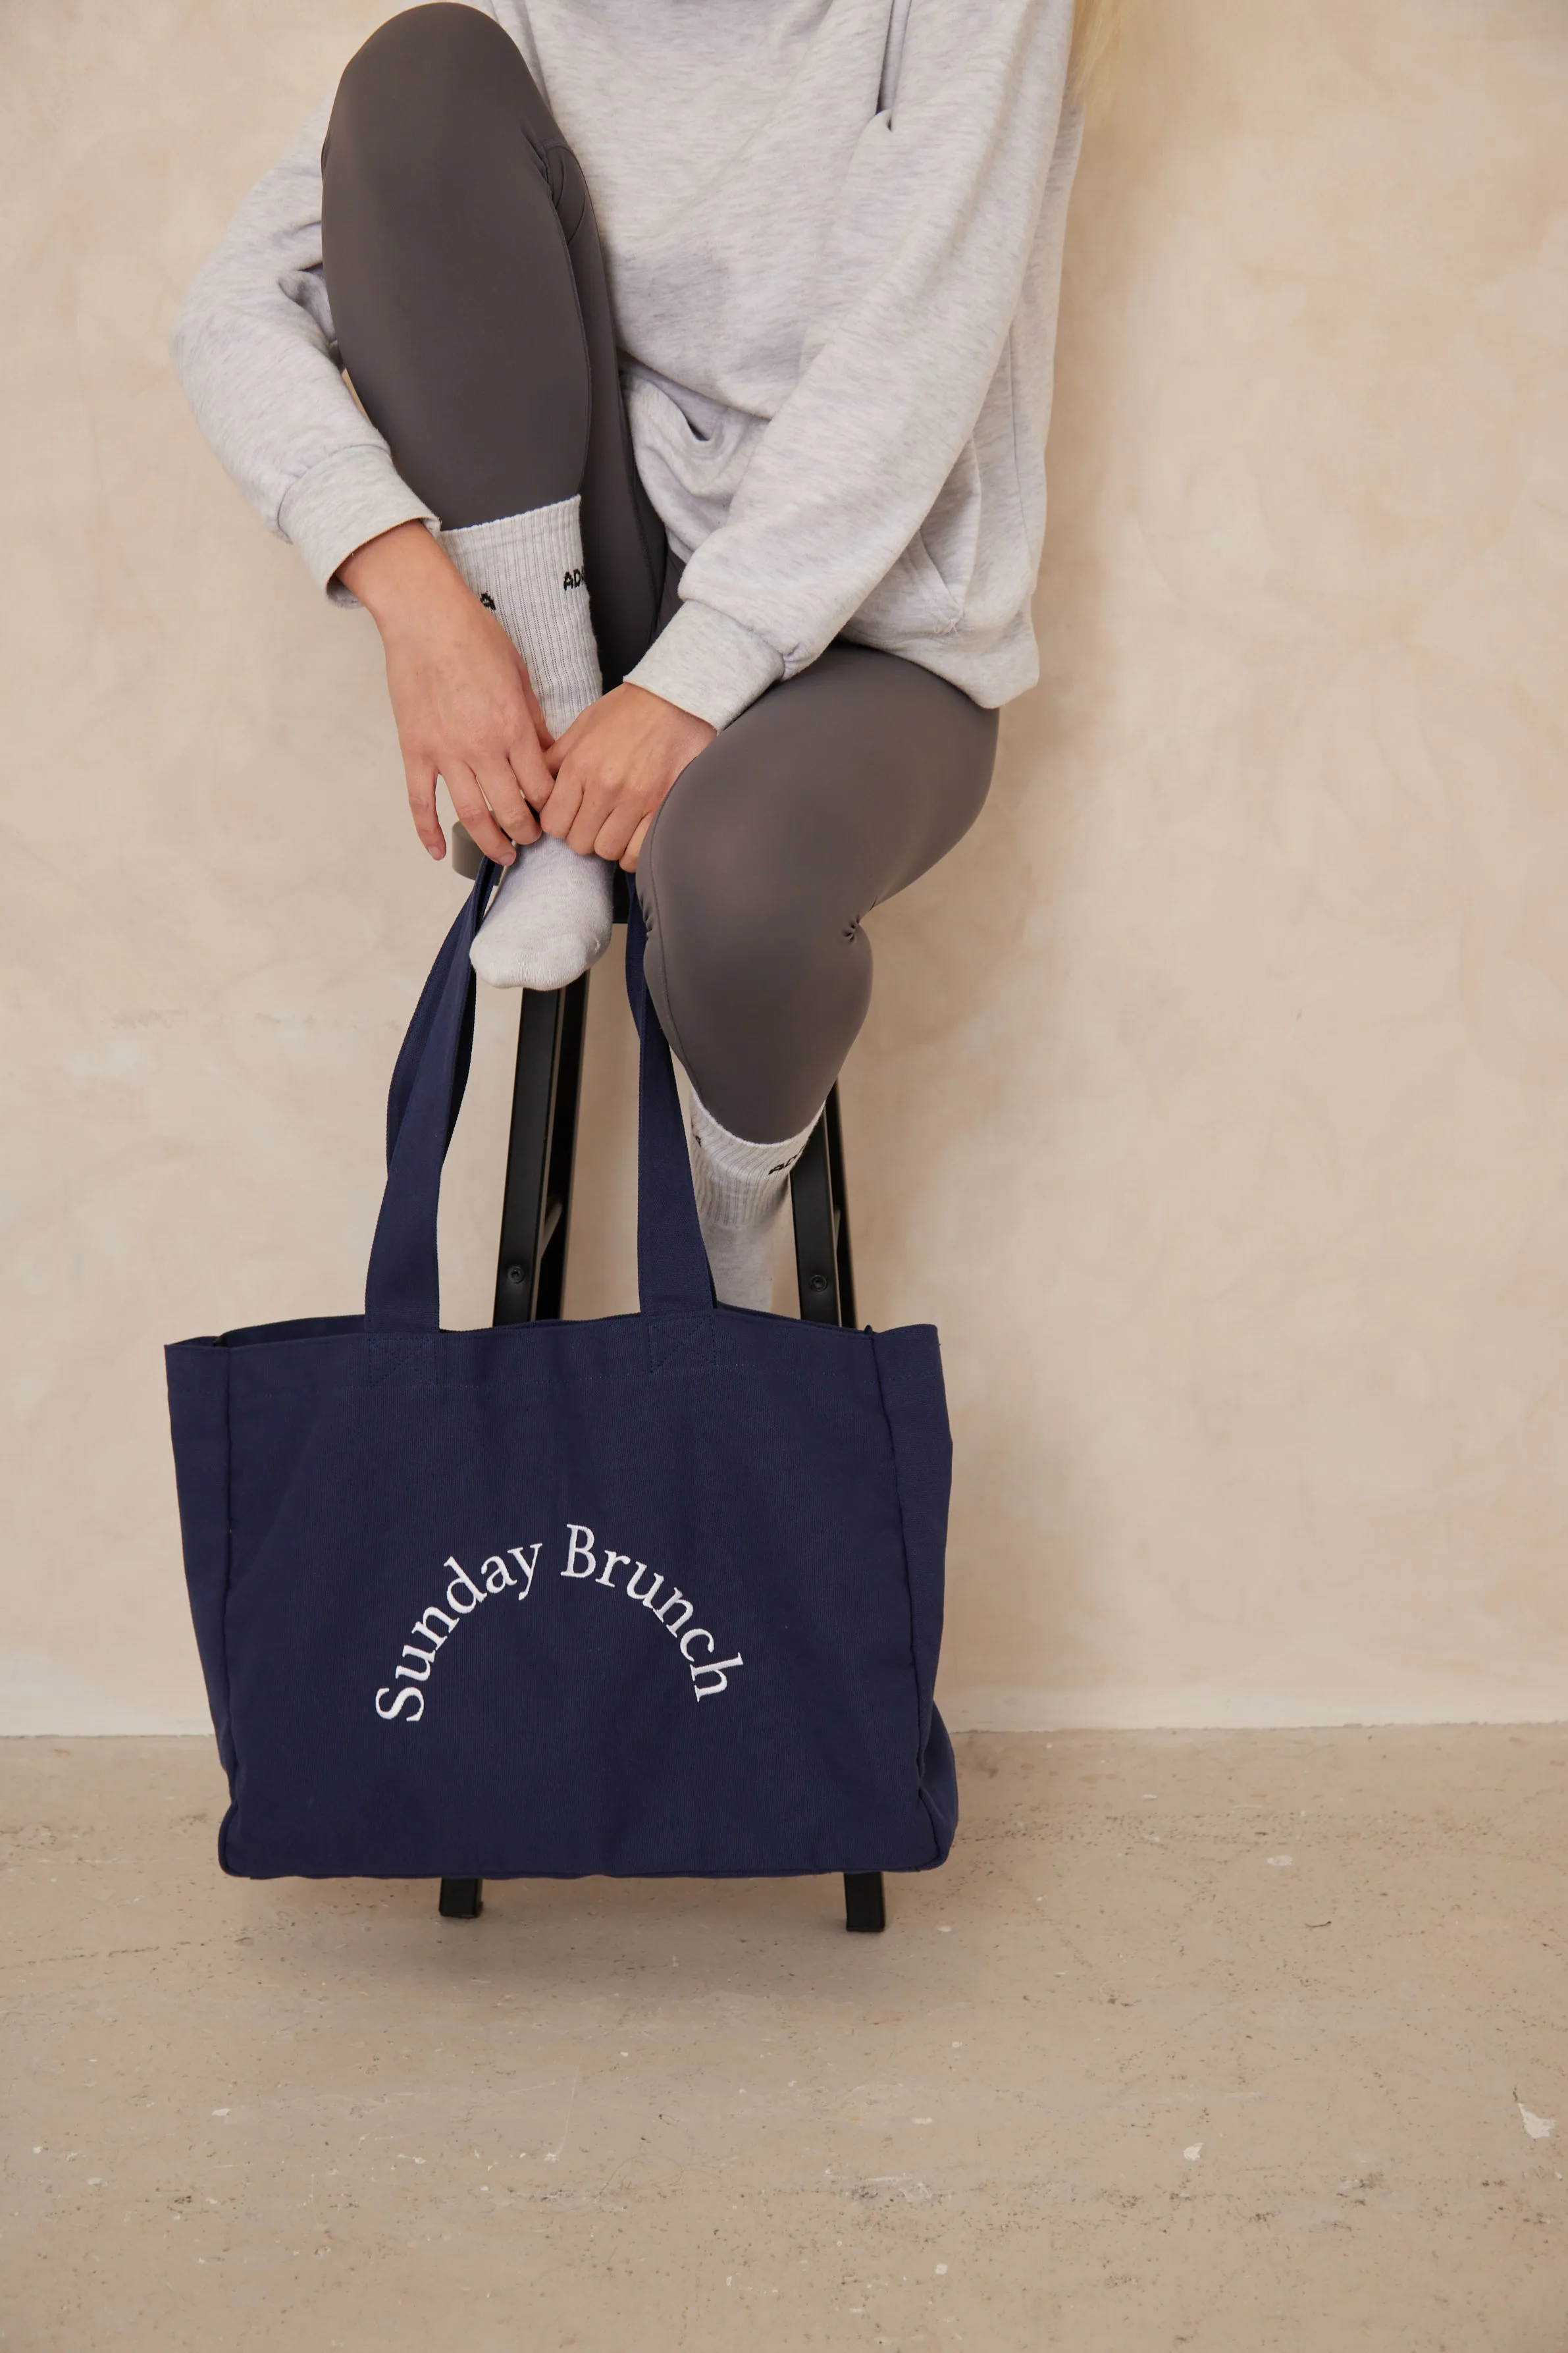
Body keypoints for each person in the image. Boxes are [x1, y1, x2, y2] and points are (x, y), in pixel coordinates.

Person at [172, 0, 1105, 1309]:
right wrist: (414, 595)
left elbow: (913, 352)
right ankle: (555, 816)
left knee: (737, 892)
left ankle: (727, 1264)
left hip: (868, 628)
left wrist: (693, 679)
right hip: (579, 594)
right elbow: (230, 309)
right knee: (416, 74)